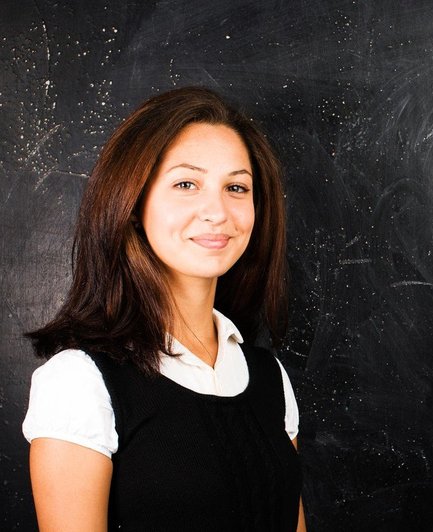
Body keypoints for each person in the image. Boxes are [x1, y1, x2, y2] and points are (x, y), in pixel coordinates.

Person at [22, 87, 306, 531]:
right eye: (186, 184)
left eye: (236, 187)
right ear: (134, 204)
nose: (216, 211)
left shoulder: (269, 377)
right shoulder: (79, 382)